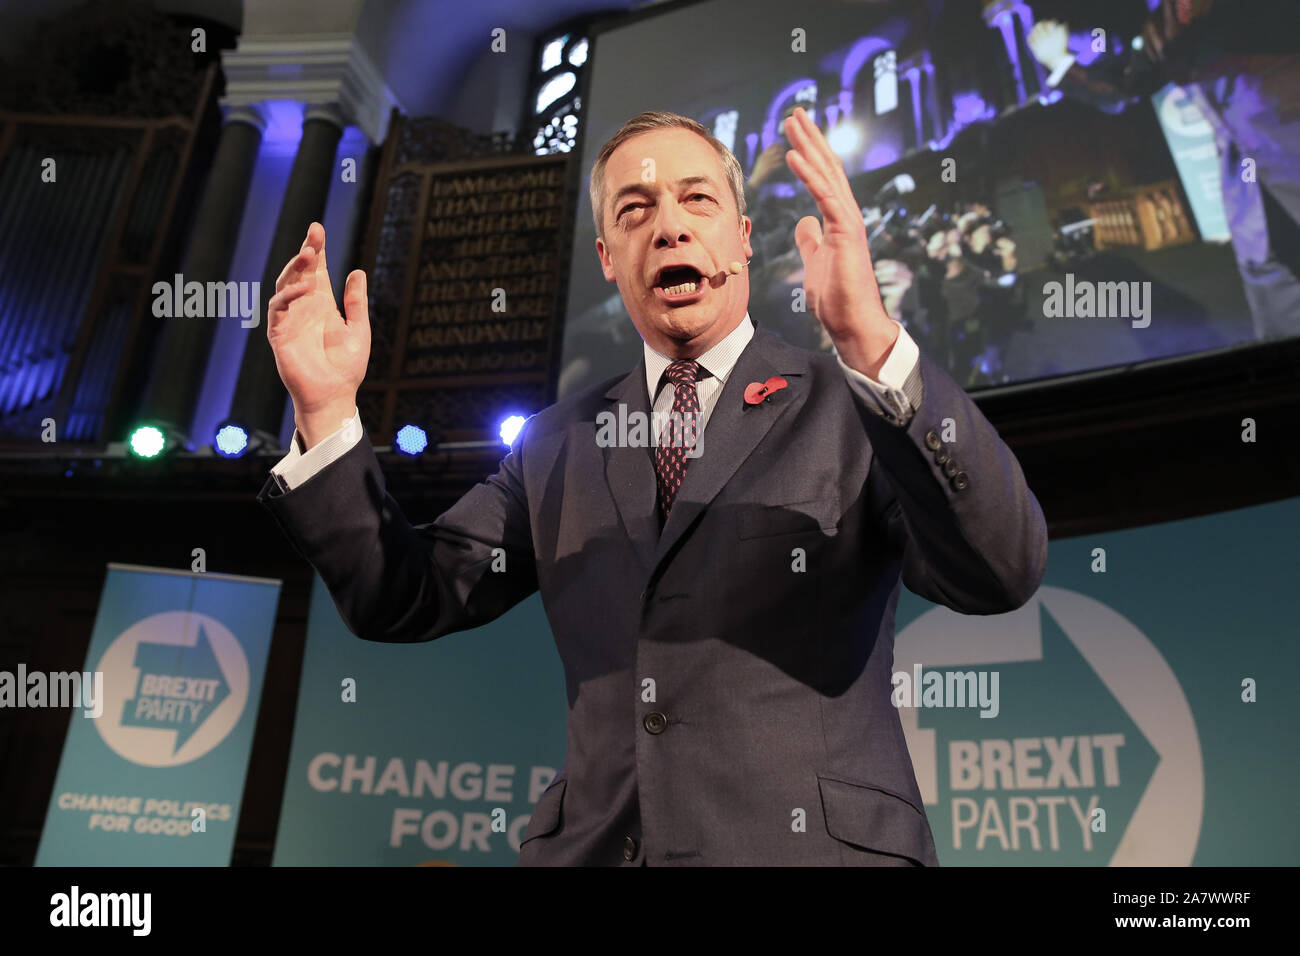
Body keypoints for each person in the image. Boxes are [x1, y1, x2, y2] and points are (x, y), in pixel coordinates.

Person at [258, 107, 1048, 866]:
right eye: (635, 210)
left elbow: (999, 569)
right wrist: (326, 412)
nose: (669, 225)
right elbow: (402, 593)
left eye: (697, 199)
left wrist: (872, 341)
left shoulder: (848, 404)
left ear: (741, 240)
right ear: (608, 258)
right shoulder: (554, 443)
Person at [1027, 1, 1300, 340]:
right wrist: (1060, 60)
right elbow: (1124, 87)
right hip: (1248, 187)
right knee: (1272, 287)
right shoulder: (1169, 15)